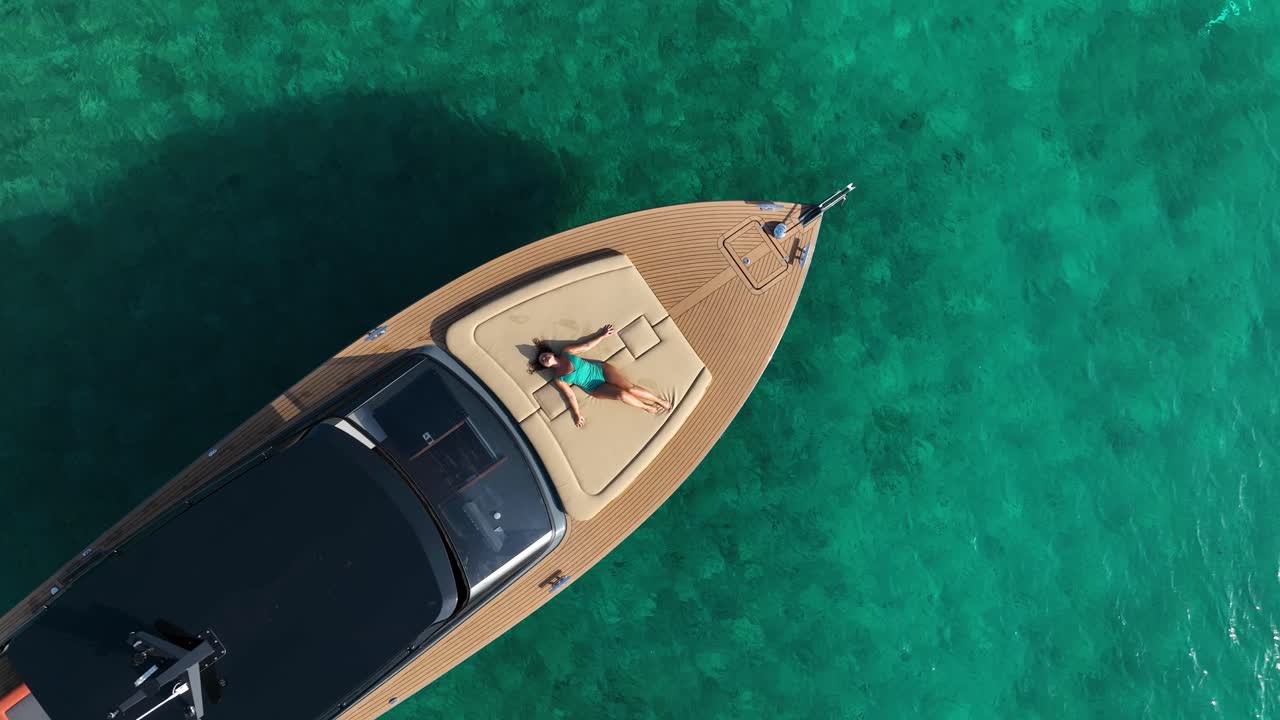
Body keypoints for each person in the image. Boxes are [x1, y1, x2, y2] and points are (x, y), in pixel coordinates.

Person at [531, 324, 672, 427]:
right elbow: (570, 396)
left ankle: (659, 401)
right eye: (542, 361)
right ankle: (646, 407)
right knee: (621, 395)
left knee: (631, 389)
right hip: (595, 388)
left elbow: (586, 346)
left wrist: (602, 335)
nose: (543, 358)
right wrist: (577, 413)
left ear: (550, 353)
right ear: (546, 366)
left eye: (543, 355)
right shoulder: (559, 378)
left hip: (601, 370)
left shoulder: (566, 351)